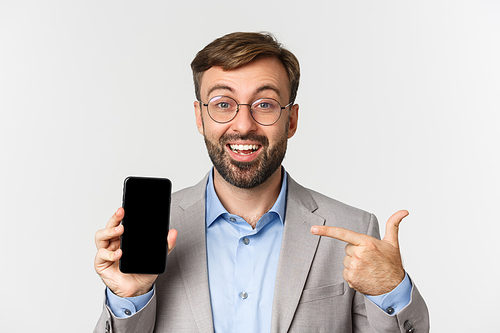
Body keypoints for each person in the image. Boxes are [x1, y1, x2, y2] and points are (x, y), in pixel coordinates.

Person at [94, 32, 429, 333]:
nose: (243, 125)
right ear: (199, 117)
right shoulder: (153, 232)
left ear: (291, 119)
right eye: (223, 104)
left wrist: (392, 291)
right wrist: (130, 300)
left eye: (265, 105)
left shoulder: (352, 229)